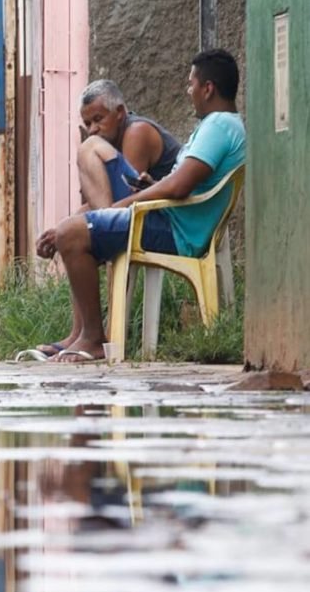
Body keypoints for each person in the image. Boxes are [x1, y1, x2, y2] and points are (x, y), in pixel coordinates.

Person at [48, 49, 245, 363]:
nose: (188, 90)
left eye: (191, 83)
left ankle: (94, 339)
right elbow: (179, 184)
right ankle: (84, 333)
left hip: (177, 231)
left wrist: (122, 205)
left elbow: (179, 186)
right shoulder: (219, 125)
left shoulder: (219, 126)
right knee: (72, 228)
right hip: (171, 220)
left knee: (72, 233)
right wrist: (151, 187)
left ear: (208, 88)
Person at [33, 79, 184, 357]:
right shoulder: (113, 143)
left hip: (162, 222)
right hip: (141, 216)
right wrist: (61, 229)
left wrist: (86, 224)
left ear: (120, 112)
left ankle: (91, 335)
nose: (93, 129)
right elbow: (101, 203)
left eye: (99, 119)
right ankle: (78, 334)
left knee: (88, 149)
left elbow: (123, 204)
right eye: (88, 123)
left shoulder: (137, 132)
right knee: (74, 231)